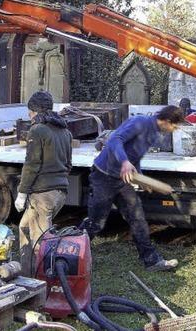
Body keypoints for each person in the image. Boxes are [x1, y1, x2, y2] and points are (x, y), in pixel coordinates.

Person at [80, 105, 184, 272]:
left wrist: (140, 177)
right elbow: (115, 139)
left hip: (122, 180)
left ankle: (151, 261)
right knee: (95, 223)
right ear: (166, 121)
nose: (174, 130)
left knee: (137, 218)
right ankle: (69, 253)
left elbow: (135, 155)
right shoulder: (140, 122)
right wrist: (125, 162)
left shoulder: (153, 133)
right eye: (174, 126)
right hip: (103, 176)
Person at [14, 90, 72, 276]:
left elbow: (31, 164)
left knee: (40, 242)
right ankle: (26, 273)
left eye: (29, 112)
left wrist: (22, 193)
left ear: (34, 111)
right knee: (24, 228)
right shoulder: (65, 131)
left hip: (42, 194)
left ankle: (42, 284)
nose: (28, 116)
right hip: (60, 192)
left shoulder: (37, 130)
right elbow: (69, 164)